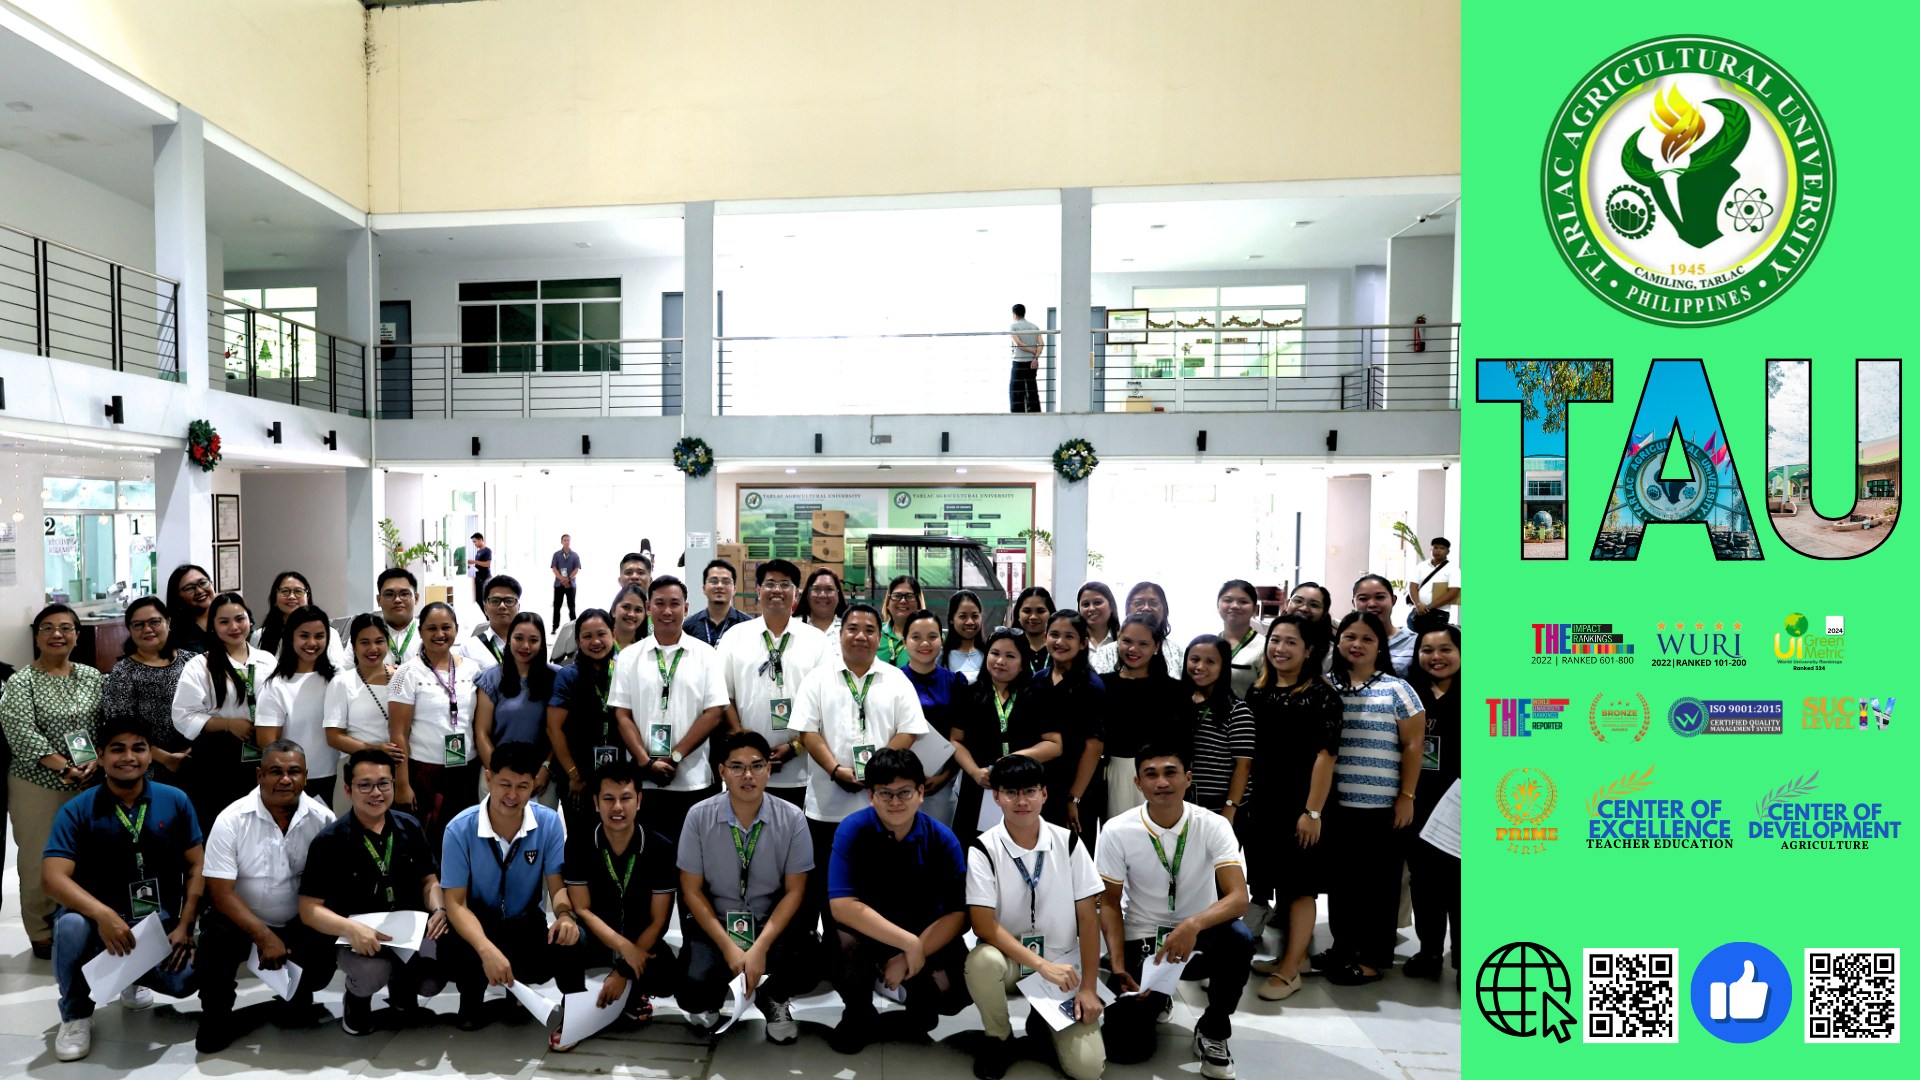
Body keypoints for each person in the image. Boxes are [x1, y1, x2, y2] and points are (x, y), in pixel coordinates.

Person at [41, 715, 200, 1061]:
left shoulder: (175, 800)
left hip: (156, 918)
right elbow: (52, 877)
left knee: (185, 980)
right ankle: (76, 1015)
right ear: (99, 755)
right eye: (117, 749)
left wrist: (186, 925)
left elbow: (197, 864)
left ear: (149, 754)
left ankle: (133, 976)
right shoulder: (78, 809)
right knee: (70, 926)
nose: (128, 757)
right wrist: (102, 914)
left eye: (138, 748)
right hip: (96, 922)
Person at [1097, 743, 1252, 1079]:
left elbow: (1239, 898)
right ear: (1138, 784)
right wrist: (1118, 964)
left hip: (1200, 937)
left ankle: (1213, 1028)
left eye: (1171, 772)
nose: (1161, 782)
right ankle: (1159, 996)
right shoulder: (1117, 830)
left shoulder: (1213, 825)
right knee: (1124, 1051)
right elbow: (1108, 903)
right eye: (1150, 774)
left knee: (1239, 939)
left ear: (1188, 778)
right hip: (1144, 938)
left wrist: (1192, 924)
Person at [790, 603, 931, 952]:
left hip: (884, 806)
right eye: (853, 628)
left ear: (879, 636)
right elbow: (807, 732)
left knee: (878, 882)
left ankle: (879, 949)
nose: (861, 636)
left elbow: (909, 731)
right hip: (827, 805)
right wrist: (835, 770)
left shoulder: (895, 678)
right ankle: (832, 952)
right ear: (840, 635)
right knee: (827, 882)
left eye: (870, 629)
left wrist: (878, 777)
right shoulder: (818, 678)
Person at [964, 755, 1105, 1080]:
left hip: (1063, 963)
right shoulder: (983, 848)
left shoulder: (1069, 842)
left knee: (1087, 1069)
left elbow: (1088, 920)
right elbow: (983, 926)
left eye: (1030, 791)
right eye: (1011, 792)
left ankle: (1043, 1020)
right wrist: (1041, 965)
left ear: (1044, 794)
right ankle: (998, 1037)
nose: (1021, 801)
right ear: (996, 796)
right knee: (981, 961)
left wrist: (1087, 987)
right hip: (1011, 960)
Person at [825, 749, 971, 1053]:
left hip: (924, 934)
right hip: (869, 935)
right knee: (841, 945)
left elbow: (958, 913)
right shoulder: (851, 830)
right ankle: (858, 1011)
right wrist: (908, 944)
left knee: (953, 995)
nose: (895, 802)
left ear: (920, 793)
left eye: (904, 792)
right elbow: (842, 906)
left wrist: (912, 951)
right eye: (885, 793)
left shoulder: (943, 838)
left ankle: (915, 995)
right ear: (871, 795)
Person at [196, 740, 337, 1052]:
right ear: (259, 775)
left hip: (298, 921)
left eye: (294, 772)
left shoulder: (323, 819)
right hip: (239, 921)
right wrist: (263, 936)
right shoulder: (231, 819)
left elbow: (330, 886)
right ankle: (216, 1016)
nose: (285, 779)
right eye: (275, 771)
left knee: (320, 970)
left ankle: (297, 991)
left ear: (306, 777)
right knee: (213, 941)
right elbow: (220, 894)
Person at [298, 748, 448, 1035]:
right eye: (364, 785)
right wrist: (351, 928)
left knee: (433, 977)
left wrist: (438, 910)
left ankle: (402, 987)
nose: (375, 792)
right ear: (348, 789)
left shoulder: (409, 826)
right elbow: (309, 909)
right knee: (371, 972)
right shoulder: (330, 841)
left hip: (406, 929)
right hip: (356, 934)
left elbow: (429, 880)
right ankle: (356, 1001)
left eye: (383, 783)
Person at [676, 731, 813, 1043]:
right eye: (736, 767)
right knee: (691, 990)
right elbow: (691, 891)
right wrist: (729, 947)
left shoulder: (792, 819)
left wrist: (760, 947)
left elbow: (795, 891)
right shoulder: (698, 817)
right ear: (722, 771)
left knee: (807, 964)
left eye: (757, 765)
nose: (747, 775)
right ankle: (716, 993)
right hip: (718, 924)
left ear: (769, 769)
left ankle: (773, 997)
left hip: (770, 925)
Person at [438, 741, 585, 1030]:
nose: (512, 795)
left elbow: (556, 886)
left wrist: (565, 916)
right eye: (505, 784)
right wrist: (485, 949)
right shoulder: (459, 828)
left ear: (534, 785)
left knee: (573, 938)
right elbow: (455, 903)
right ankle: (471, 993)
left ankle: (571, 1015)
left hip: (524, 922)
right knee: (454, 946)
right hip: (477, 924)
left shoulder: (548, 823)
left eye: (522, 786)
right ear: (488, 778)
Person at [1316, 610, 1425, 985]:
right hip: (1335, 805)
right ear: (1339, 641)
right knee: (1343, 883)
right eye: (1350, 637)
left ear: (1380, 645)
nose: (1357, 645)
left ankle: (1375, 957)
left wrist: (1407, 796)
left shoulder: (1397, 689)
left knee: (1379, 885)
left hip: (1382, 806)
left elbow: (1414, 745)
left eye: (1367, 638)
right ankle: (1342, 947)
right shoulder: (1325, 686)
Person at [1244, 614, 1342, 1002]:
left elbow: (1326, 756)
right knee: (1279, 881)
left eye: (1290, 642)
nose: (1280, 648)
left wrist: (1313, 812)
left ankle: (1291, 971)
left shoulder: (1321, 694)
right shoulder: (1259, 691)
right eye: (1275, 640)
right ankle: (1293, 956)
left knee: (1300, 888)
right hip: (1265, 802)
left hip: (1303, 805)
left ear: (1309, 650)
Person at [4, 604, 107, 957]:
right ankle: (41, 929)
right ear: (36, 636)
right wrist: (64, 767)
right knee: (38, 859)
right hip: (38, 784)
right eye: (47, 628)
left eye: (65, 627)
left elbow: (103, 724)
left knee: (88, 857)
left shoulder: (92, 677)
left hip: (89, 782)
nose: (57, 634)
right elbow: (21, 732)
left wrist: (95, 762)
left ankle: (82, 922)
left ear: (77, 635)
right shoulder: (21, 682)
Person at [560, 760, 679, 1043]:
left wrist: (625, 970)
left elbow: (659, 920)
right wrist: (625, 949)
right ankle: (575, 1001)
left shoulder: (660, 847)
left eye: (626, 798)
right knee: (565, 942)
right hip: (599, 936)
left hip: (642, 938)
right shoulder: (578, 843)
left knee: (668, 978)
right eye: (608, 799)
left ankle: (632, 990)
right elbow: (582, 909)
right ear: (596, 802)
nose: (617, 808)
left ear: (639, 800)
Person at [611, 575, 729, 844]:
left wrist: (675, 757)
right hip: (642, 780)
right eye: (659, 603)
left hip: (692, 779)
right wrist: (645, 762)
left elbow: (714, 714)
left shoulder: (705, 654)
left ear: (686, 609)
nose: (667, 611)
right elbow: (622, 715)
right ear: (648, 607)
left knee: (692, 858)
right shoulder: (630, 656)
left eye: (674, 604)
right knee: (647, 857)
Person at [717, 559, 828, 810]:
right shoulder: (736, 636)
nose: (777, 590)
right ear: (758, 591)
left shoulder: (816, 641)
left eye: (785, 584)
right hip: (744, 770)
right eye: (769, 584)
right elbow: (723, 697)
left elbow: (825, 703)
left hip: (800, 769)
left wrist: (795, 747)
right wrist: (746, 748)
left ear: (796, 594)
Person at [170, 592, 274, 856]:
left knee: (261, 828)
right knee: (223, 829)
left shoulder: (267, 660)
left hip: (261, 755)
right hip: (218, 761)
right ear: (213, 627)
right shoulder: (200, 665)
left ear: (249, 620)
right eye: (224, 621)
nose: (234, 627)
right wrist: (227, 723)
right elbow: (183, 716)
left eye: (239, 619)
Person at [387, 601, 483, 856]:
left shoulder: (472, 669)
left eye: (446, 627)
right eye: (431, 628)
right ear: (420, 632)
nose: (439, 634)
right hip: (424, 772)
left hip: (466, 770)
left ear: (456, 629)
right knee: (428, 843)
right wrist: (402, 783)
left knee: (464, 840)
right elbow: (398, 733)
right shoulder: (407, 673)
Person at [1017, 610, 1105, 846]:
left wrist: (1073, 799)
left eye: (1069, 636)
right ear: (1045, 636)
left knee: (1073, 858)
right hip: (1041, 785)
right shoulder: (1038, 680)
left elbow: (1094, 746)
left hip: (1077, 788)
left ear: (1084, 642)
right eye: (1054, 634)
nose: (1060, 642)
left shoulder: (1091, 686)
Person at [1403, 625, 1460, 982]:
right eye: (1427, 650)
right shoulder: (1410, 693)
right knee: (1424, 882)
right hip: (1419, 801)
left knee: (1463, 885)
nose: (1436, 657)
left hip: (1466, 803)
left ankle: (1467, 957)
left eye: (1445, 649)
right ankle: (1429, 951)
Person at [949, 628, 1038, 848]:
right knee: (975, 851)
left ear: (1022, 661)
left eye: (1010, 656)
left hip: (1022, 786)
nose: (1000, 661)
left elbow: (1054, 744)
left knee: (1019, 847)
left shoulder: (1035, 694)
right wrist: (974, 772)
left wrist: (1015, 761)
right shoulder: (968, 694)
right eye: (995, 653)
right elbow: (955, 741)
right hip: (979, 786)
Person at [255, 605, 344, 805]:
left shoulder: (339, 677)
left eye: (319, 636)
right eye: (304, 636)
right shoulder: (276, 685)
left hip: (340, 777)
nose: (312, 643)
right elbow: (267, 743)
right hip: (296, 782)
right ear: (291, 637)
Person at [548, 609, 623, 835]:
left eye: (601, 634)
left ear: (614, 634)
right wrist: (574, 774)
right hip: (577, 776)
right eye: (587, 636)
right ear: (578, 640)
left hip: (617, 774)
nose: (595, 642)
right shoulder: (568, 676)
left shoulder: (623, 671)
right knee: (581, 839)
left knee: (615, 835)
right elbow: (554, 728)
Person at [1101, 614, 1181, 820]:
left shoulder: (1173, 690)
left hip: (1161, 776)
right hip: (1115, 774)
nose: (1133, 649)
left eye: (1143, 644)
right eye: (1127, 641)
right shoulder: (1103, 685)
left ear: (1156, 647)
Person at [102, 597, 192, 775]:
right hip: (147, 765)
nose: (147, 629)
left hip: (194, 758)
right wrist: (166, 758)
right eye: (138, 625)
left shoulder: (191, 661)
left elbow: (210, 708)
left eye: (154, 622)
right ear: (130, 630)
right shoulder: (123, 672)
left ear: (168, 622)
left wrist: (191, 750)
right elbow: (120, 726)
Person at [474, 612, 558, 800]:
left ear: (542, 643)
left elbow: (559, 732)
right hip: (496, 772)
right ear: (509, 639)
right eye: (518, 638)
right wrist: (498, 775)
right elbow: (482, 732)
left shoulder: (556, 679)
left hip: (541, 775)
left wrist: (546, 768)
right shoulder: (491, 678)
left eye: (533, 640)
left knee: (540, 828)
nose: (525, 646)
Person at [899, 607, 964, 826]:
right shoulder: (891, 680)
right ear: (905, 640)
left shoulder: (955, 683)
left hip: (941, 781)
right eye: (916, 637)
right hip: (899, 780)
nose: (924, 643)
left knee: (938, 845)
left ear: (941, 640)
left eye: (932, 637)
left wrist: (944, 777)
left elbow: (960, 737)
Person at [1178, 636, 1255, 819]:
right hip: (1182, 805)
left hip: (1221, 807)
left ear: (1223, 666)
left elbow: (1243, 766)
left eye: (1210, 662)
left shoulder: (1237, 710)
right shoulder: (1177, 703)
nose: (1200, 667)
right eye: (1194, 659)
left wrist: (1230, 809)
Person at [323, 613, 409, 770]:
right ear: (354, 646)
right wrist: (375, 750)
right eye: (364, 642)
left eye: (379, 641)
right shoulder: (342, 682)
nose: (373, 649)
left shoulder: (403, 679)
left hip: (402, 766)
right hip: (359, 767)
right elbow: (334, 736)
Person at [252, 571, 345, 666]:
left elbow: (338, 672)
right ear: (274, 598)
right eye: (285, 591)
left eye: (298, 591)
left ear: (307, 597)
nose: (292, 596)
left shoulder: (329, 634)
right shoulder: (259, 636)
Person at [1349, 574, 1415, 677]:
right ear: (1354, 603)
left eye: (1380, 597)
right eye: (1363, 599)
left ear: (1393, 600)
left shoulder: (1413, 642)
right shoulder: (1347, 643)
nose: (1372, 604)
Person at [1215, 580, 1265, 698]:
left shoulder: (1264, 647)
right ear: (1218, 605)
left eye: (1243, 602)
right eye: (1227, 600)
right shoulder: (1211, 644)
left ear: (1254, 609)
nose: (1235, 606)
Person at [462, 574, 522, 671]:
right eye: (495, 601)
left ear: (518, 607)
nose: (502, 606)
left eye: (509, 601)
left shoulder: (530, 644)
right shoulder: (469, 648)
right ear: (485, 607)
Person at [687, 559, 753, 646]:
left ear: (734, 589)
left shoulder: (748, 625)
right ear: (704, 589)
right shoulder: (689, 626)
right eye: (714, 581)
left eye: (726, 582)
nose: (719, 586)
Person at [1123, 581, 1185, 673]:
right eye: (1139, 603)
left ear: (1164, 610)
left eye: (1154, 603)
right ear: (1128, 609)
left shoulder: (1179, 652)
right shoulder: (1107, 652)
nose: (1146, 608)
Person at [162, 563, 218, 657]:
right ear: (177, 596)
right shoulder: (173, 633)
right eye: (189, 588)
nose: (199, 591)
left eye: (203, 583)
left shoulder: (230, 618)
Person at [1405, 537, 1459, 631]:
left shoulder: (1453, 569)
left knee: (1432, 643)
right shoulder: (1421, 566)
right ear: (1431, 549)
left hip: (1439, 613)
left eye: (1442, 548)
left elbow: (1453, 592)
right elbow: (1412, 586)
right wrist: (1418, 604)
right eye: (1435, 547)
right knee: (1413, 641)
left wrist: (1428, 607)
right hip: (1417, 611)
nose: (1438, 551)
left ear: (1448, 552)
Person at [375, 568, 423, 666]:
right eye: (389, 594)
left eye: (404, 594)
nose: (397, 600)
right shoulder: (365, 634)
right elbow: (344, 673)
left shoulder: (429, 633)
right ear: (379, 600)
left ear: (416, 598)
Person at [941, 590, 988, 683]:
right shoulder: (941, 658)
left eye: (975, 616)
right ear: (951, 619)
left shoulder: (990, 654)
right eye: (963, 616)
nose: (970, 622)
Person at [878, 575, 923, 668]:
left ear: (918, 603)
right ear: (887, 604)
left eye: (909, 596)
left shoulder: (930, 636)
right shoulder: (875, 632)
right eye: (897, 596)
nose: (903, 601)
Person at [1077, 582, 1121, 673]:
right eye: (1085, 604)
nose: (1091, 608)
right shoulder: (1073, 642)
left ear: (1111, 606)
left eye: (1097, 602)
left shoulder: (1124, 641)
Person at [1010, 586, 1054, 676]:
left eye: (1040, 611)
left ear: (1051, 614)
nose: (1033, 617)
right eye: (1027, 611)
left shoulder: (1059, 648)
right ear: (1018, 614)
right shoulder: (1009, 647)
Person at [1008, 302, 1042, 413]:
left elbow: (1019, 343)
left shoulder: (1013, 327)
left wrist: (1032, 350)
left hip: (1018, 362)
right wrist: (1035, 357)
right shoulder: (1034, 327)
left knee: (1016, 390)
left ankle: (1018, 414)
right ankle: (1034, 412)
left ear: (1015, 315)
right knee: (1031, 389)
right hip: (1032, 362)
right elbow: (1041, 344)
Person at [801, 566, 848, 642]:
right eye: (816, 589)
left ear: (838, 595)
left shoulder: (849, 629)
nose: (822, 595)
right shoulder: (792, 627)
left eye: (829, 589)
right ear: (807, 594)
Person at [551, 534, 583, 627]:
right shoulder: (556, 555)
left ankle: (574, 626)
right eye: (565, 540)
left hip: (571, 585)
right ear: (561, 542)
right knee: (557, 607)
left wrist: (568, 579)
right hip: (559, 585)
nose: (567, 542)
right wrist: (562, 579)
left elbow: (577, 569)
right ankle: (555, 626)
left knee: (571, 607)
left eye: (568, 540)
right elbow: (554, 568)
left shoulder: (575, 555)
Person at [607, 583, 650, 652]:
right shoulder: (601, 645)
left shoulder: (647, 649)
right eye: (626, 607)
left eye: (638, 610)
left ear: (644, 616)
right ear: (613, 611)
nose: (631, 614)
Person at [469, 532, 493, 606]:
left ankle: (488, 616)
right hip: (478, 578)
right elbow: (479, 565)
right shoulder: (478, 552)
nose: (474, 544)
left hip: (485, 579)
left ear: (480, 540)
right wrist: (471, 566)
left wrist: (473, 561)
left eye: (475, 541)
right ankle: (486, 616)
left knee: (484, 598)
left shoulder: (487, 551)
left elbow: (487, 564)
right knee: (478, 599)